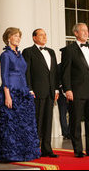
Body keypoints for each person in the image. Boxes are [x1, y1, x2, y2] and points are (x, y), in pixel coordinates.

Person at [0, 27, 40, 162]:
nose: (18, 38)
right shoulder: (5, 55)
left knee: (23, 124)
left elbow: (24, 74)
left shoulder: (20, 55)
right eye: (15, 36)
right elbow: (4, 76)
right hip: (11, 91)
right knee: (11, 126)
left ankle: (23, 152)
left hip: (23, 91)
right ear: (8, 38)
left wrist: (28, 90)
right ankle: (11, 153)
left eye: (19, 36)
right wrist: (7, 95)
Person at [60, 23, 89, 158]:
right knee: (75, 121)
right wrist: (67, 89)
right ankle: (78, 150)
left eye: (87, 30)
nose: (86, 32)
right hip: (76, 91)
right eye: (82, 30)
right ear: (76, 33)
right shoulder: (69, 50)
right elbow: (65, 72)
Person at [22, 28, 59, 158]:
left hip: (50, 92)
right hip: (36, 92)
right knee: (36, 122)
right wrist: (29, 89)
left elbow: (54, 72)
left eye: (45, 34)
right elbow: (27, 72)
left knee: (48, 122)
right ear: (34, 37)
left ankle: (47, 149)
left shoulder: (51, 52)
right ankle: (34, 149)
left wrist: (56, 89)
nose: (44, 37)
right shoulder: (28, 51)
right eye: (41, 35)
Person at [56, 64, 72, 140]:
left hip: (72, 93)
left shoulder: (72, 65)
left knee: (73, 114)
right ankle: (65, 133)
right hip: (62, 94)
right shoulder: (59, 66)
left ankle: (71, 132)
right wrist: (62, 88)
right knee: (63, 114)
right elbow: (56, 78)